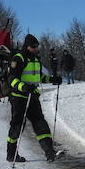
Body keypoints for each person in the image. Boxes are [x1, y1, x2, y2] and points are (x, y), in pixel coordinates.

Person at [6, 34, 62, 162]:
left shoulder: (36, 59)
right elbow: (11, 79)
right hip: (19, 98)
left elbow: (39, 77)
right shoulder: (19, 58)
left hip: (32, 96)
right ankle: (11, 154)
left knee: (41, 124)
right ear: (27, 46)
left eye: (37, 46)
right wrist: (23, 87)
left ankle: (50, 153)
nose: (36, 48)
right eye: (33, 46)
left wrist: (52, 79)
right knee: (17, 126)